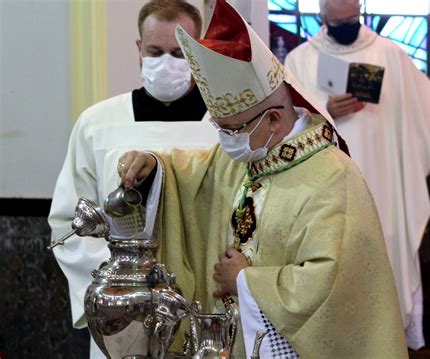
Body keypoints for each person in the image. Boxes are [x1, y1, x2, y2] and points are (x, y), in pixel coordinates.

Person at [117, 1, 409, 357]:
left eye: (234, 128)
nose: (227, 140)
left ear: (273, 120)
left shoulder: (332, 178)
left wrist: (245, 280)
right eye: (220, 129)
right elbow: (194, 175)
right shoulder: (249, 152)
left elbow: (332, 288)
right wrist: (154, 165)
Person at [48, 1, 217, 358]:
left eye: (179, 52)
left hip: (206, 307)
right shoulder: (98, 124)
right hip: (122, 321)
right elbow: (69, 221)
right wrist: (118, 292)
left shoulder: (224, 127)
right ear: (139, 49)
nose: (166, 63)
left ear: (198, 51)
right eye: (155, 51)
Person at [284, 0, 430, 349]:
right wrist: (325, 108)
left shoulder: (390, 54)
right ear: (322, 17)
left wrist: (428, 159)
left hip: (383, 184)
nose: (346, 25)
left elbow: (423, 106)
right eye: (338, 20)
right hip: (323, 188)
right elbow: (287, 125)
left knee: (384, 254)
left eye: (352, 19)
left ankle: (385, 343)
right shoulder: (300, 59)